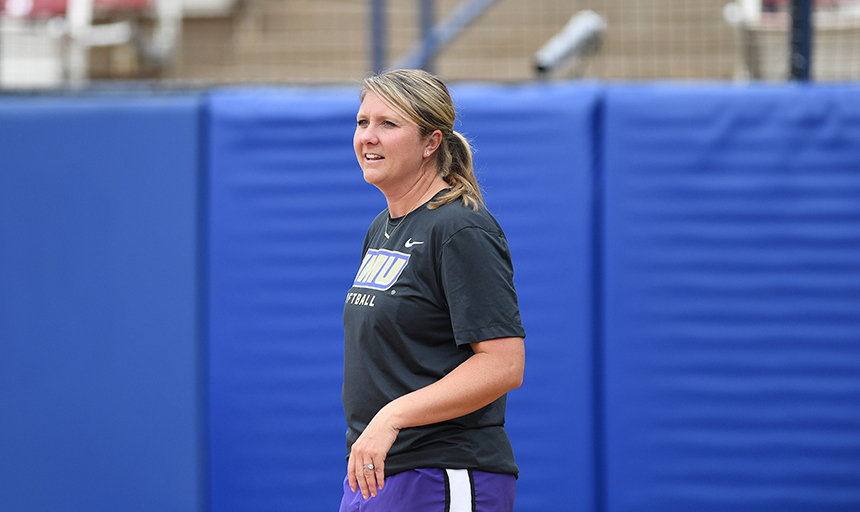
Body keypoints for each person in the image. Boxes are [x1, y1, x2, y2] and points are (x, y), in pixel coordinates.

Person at [341, 68, 526, 512]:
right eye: (363, 121)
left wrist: (391, 417)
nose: (369, 136)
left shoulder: (460, 227)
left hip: (442, 473)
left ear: (431, 142)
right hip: (378, 473)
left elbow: (503, 365)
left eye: (388, 124)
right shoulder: (381, 229)